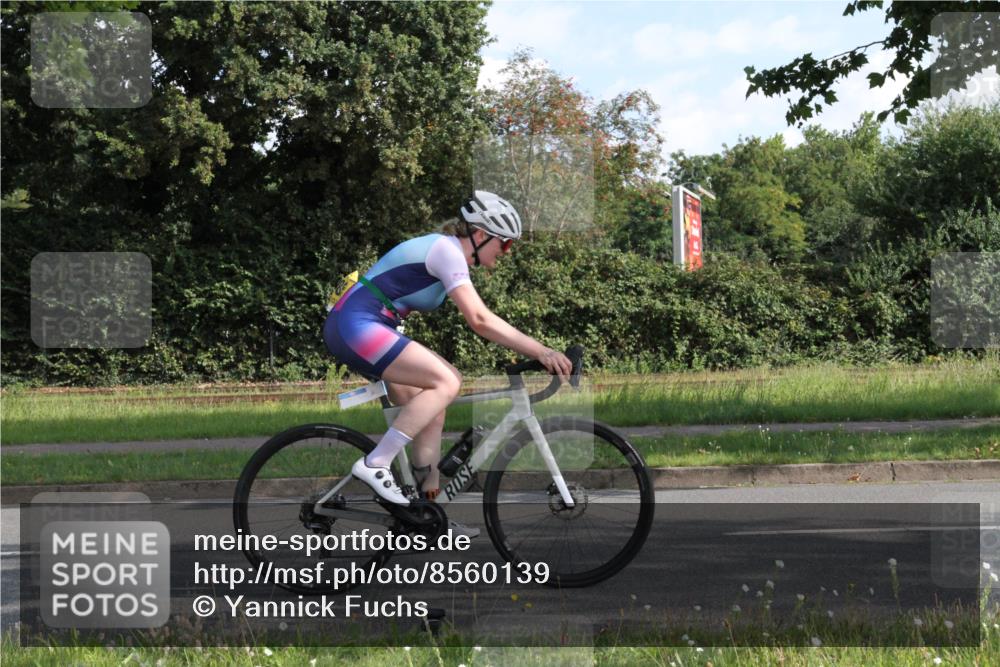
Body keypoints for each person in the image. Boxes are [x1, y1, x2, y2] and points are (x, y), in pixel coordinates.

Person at [323, 191, 573, 533]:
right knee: (447, 381)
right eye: (505, 244)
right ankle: (375, 463)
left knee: (432, 409)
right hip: (356, 323)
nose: (506, 252)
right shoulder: (446, 251)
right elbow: (480, 319)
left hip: (370, 325)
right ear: (481, 235)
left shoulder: (450, 257)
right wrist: (542, 351)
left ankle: (427, 515)